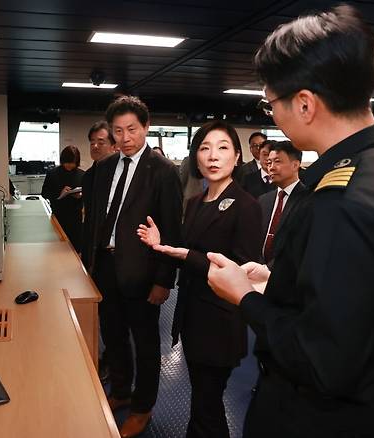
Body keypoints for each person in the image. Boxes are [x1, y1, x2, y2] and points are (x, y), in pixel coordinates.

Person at [204, 5, 374, 438]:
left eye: (271, 104)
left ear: (305, 104)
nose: (273, 115)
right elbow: (365, 292)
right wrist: (281, 278)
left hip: (314, 416)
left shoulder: (342, 201)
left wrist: (244, 298)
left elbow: (323, 360)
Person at [137, 120, 262, 438]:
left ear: (237, 157)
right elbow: (186, 252)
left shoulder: (246, 206)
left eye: (222, 148)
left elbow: (239, 269)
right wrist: (161, 244)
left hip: (220, 321)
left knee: (207, 404)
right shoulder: (194, 203)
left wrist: (182, 254)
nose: (212, 156)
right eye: (204, 148)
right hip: (191, 317)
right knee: (204, 403)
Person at [84, 95, 182, 438]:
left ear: (146, 127)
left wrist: (164, 280)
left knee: (145, 342)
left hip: (143, 272)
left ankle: (142, 407)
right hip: (106, 266)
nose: (125, 138)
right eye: (118, 131)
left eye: (131, 130)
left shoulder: (163, 171)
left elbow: (170, 228)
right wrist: (89, 263)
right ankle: (121, 392)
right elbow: (96, 218)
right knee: (112, 336)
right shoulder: (105, 167)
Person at [80, 120, 117, 383]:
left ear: (113, 145)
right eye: (92, 142)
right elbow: (91, 220)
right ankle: (108, 358)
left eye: (100, 142)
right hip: (96, 254)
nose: (95, 146)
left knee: (117, 318)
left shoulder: (120, 175)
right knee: (104, 313)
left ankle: (115, 366)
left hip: (118, 258)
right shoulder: (90, 175)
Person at [257, 141, 304, 266]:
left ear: (295, 165)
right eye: (269, 162)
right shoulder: (263, 200)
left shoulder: (308, 199)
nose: (271, 167)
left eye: (277, 161)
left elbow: (299, 245)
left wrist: (269, 269)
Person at [41, 145, 84, 252]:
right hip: (58, 215)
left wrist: (80, 196)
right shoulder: (53, 173)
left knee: (75, 248)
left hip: (75, 217)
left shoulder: (82, 174)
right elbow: (44, 193)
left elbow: (88, 195)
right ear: (62, 160)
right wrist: (59, 194)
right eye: (67, 162)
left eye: (72, 162)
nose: (69, 165)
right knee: (57, 247)